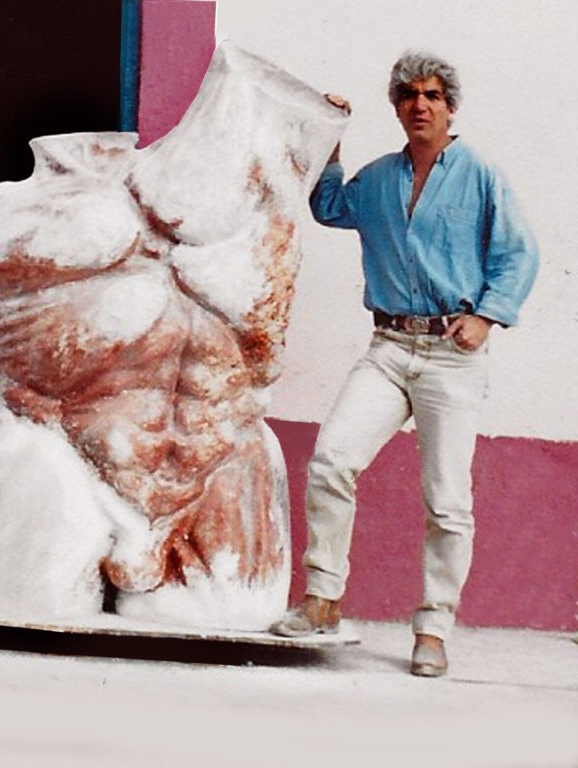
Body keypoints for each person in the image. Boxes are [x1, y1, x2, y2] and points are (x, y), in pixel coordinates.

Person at [270, 51, 539, 676]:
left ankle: (435, 628)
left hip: (451, 357)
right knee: (333, 459)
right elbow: (329, 206)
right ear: (396, 106)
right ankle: (322, 600)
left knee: (447, 501)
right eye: (409, 95)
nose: (421, 105)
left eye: (434, 95)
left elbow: (518, 253)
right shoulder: (379, 178)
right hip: (389, 350)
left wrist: (487, 316)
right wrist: (330, 134)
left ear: (450, 107)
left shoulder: (479, 174)